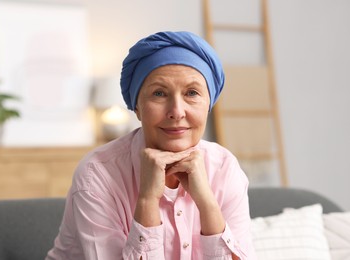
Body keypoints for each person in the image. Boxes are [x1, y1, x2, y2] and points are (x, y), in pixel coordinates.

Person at [46, 31, 256, 259]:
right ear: (136, 106)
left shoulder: (225, 167)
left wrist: (207, 202)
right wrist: (147, 200)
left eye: (192, 93)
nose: (176, 111)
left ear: (208, 104)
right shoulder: (97, 174)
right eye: (159, 93)